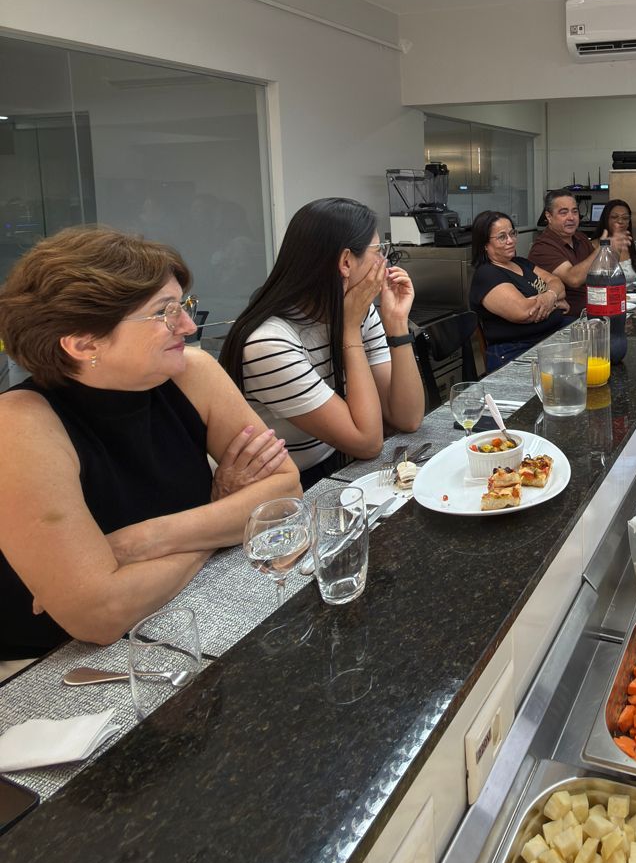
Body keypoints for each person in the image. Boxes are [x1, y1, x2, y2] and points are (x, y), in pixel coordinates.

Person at [0, 227, 300, 659]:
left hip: (178, 609)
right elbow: (99, 614)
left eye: (183, 305)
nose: (189, 325)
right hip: (55, 663)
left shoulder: (190, 372)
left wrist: (136, 544)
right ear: (85, 343)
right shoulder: (21, 426)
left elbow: (285, 493)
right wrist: (218, 524)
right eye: (165, 313)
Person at [221, 198, 424, 489]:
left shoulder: (356, 310)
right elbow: (367, 443)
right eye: (378, 252)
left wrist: (397, 324)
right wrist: (350, 332)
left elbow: (408, 417)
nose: (385, 263)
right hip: (281, 489)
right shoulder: (268, 342)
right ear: (345, 262)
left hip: (335, 467)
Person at [468, 210, 568, 371]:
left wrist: (550, 296)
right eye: (502, 237)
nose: (510, 241)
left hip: (548, 338)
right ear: (485, 244)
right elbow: (524, 312)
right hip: (516, 351)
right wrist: (555, 302)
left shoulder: (521, 263)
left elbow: (557, 283)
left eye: (512, 233)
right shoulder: (487, 274)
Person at [528, 190, 599, 316]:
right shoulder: (542, 247)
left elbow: (599, 270)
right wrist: (603, 248)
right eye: (563, 212)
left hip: (596, 308)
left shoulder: (580, 238)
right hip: (569, 319)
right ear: (549, 217)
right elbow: (574, 279)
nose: (571, 217)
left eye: (575, 211)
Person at [596, 199, 636, 283]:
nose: (620, 221)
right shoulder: (590, 246)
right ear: (605, 219)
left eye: (625, 218)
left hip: (634, 295)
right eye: (614, 217)